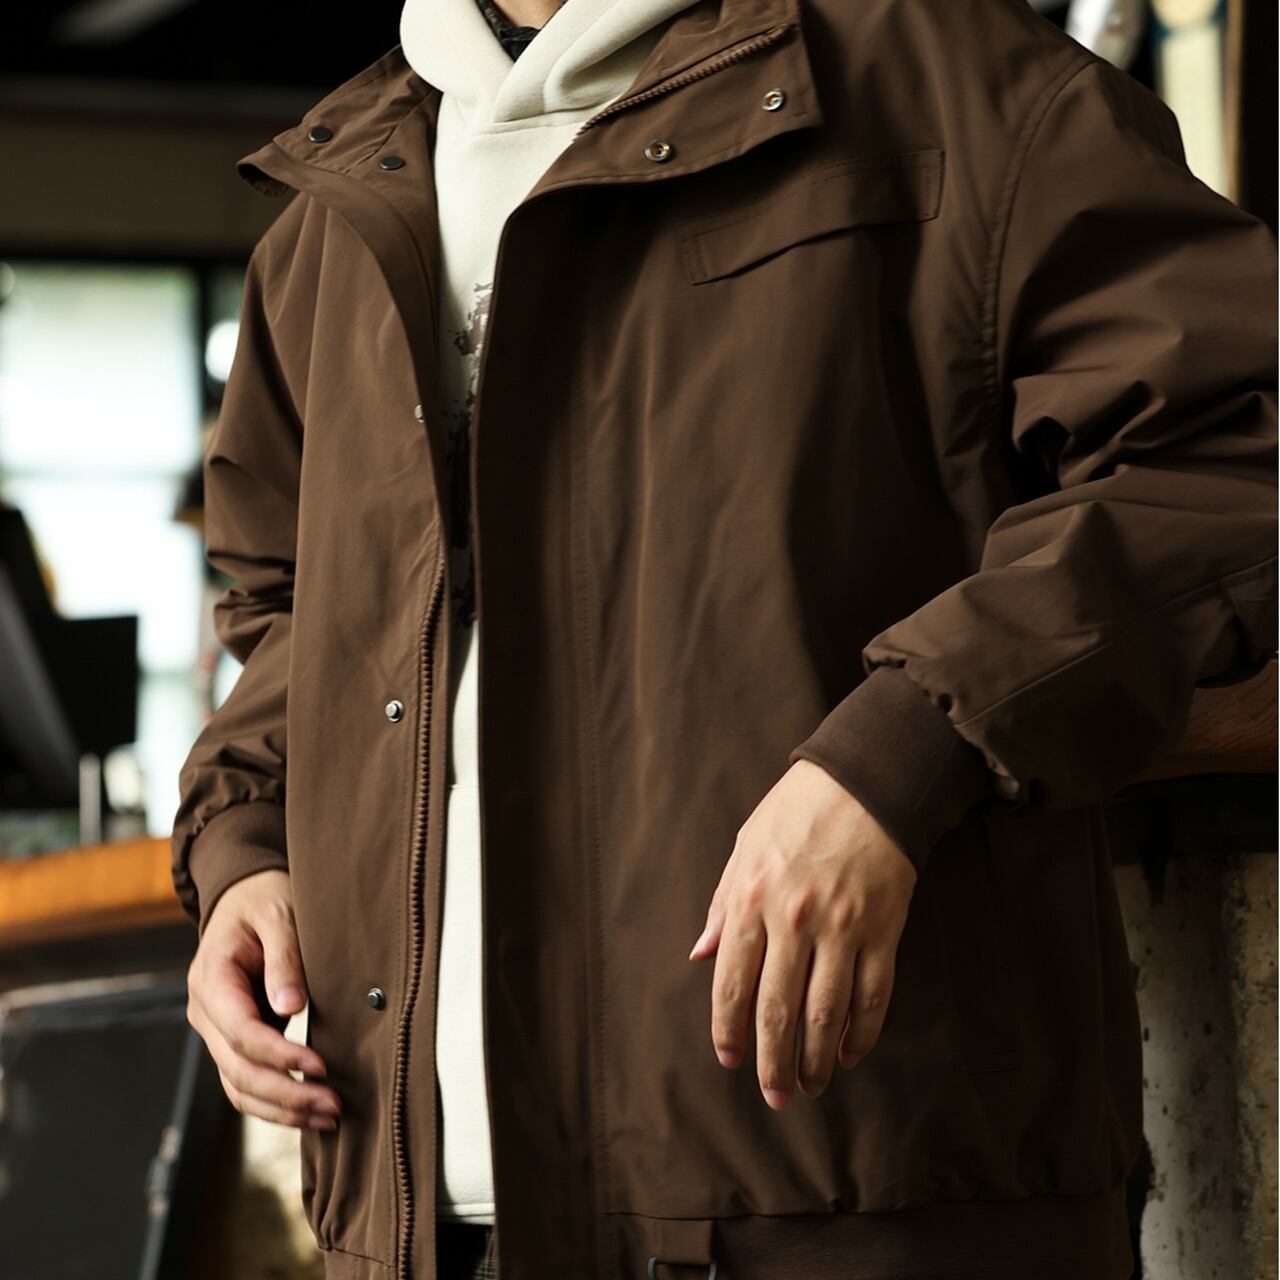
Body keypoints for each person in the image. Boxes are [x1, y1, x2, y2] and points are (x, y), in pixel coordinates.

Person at [171, 0, 1278, 1276]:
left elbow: (1224, 454)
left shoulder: (949, 88)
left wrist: (900, 752)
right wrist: (247, 847)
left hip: (857, 1215)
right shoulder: (334, 210)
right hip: (411, 1230)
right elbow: (294, 610)